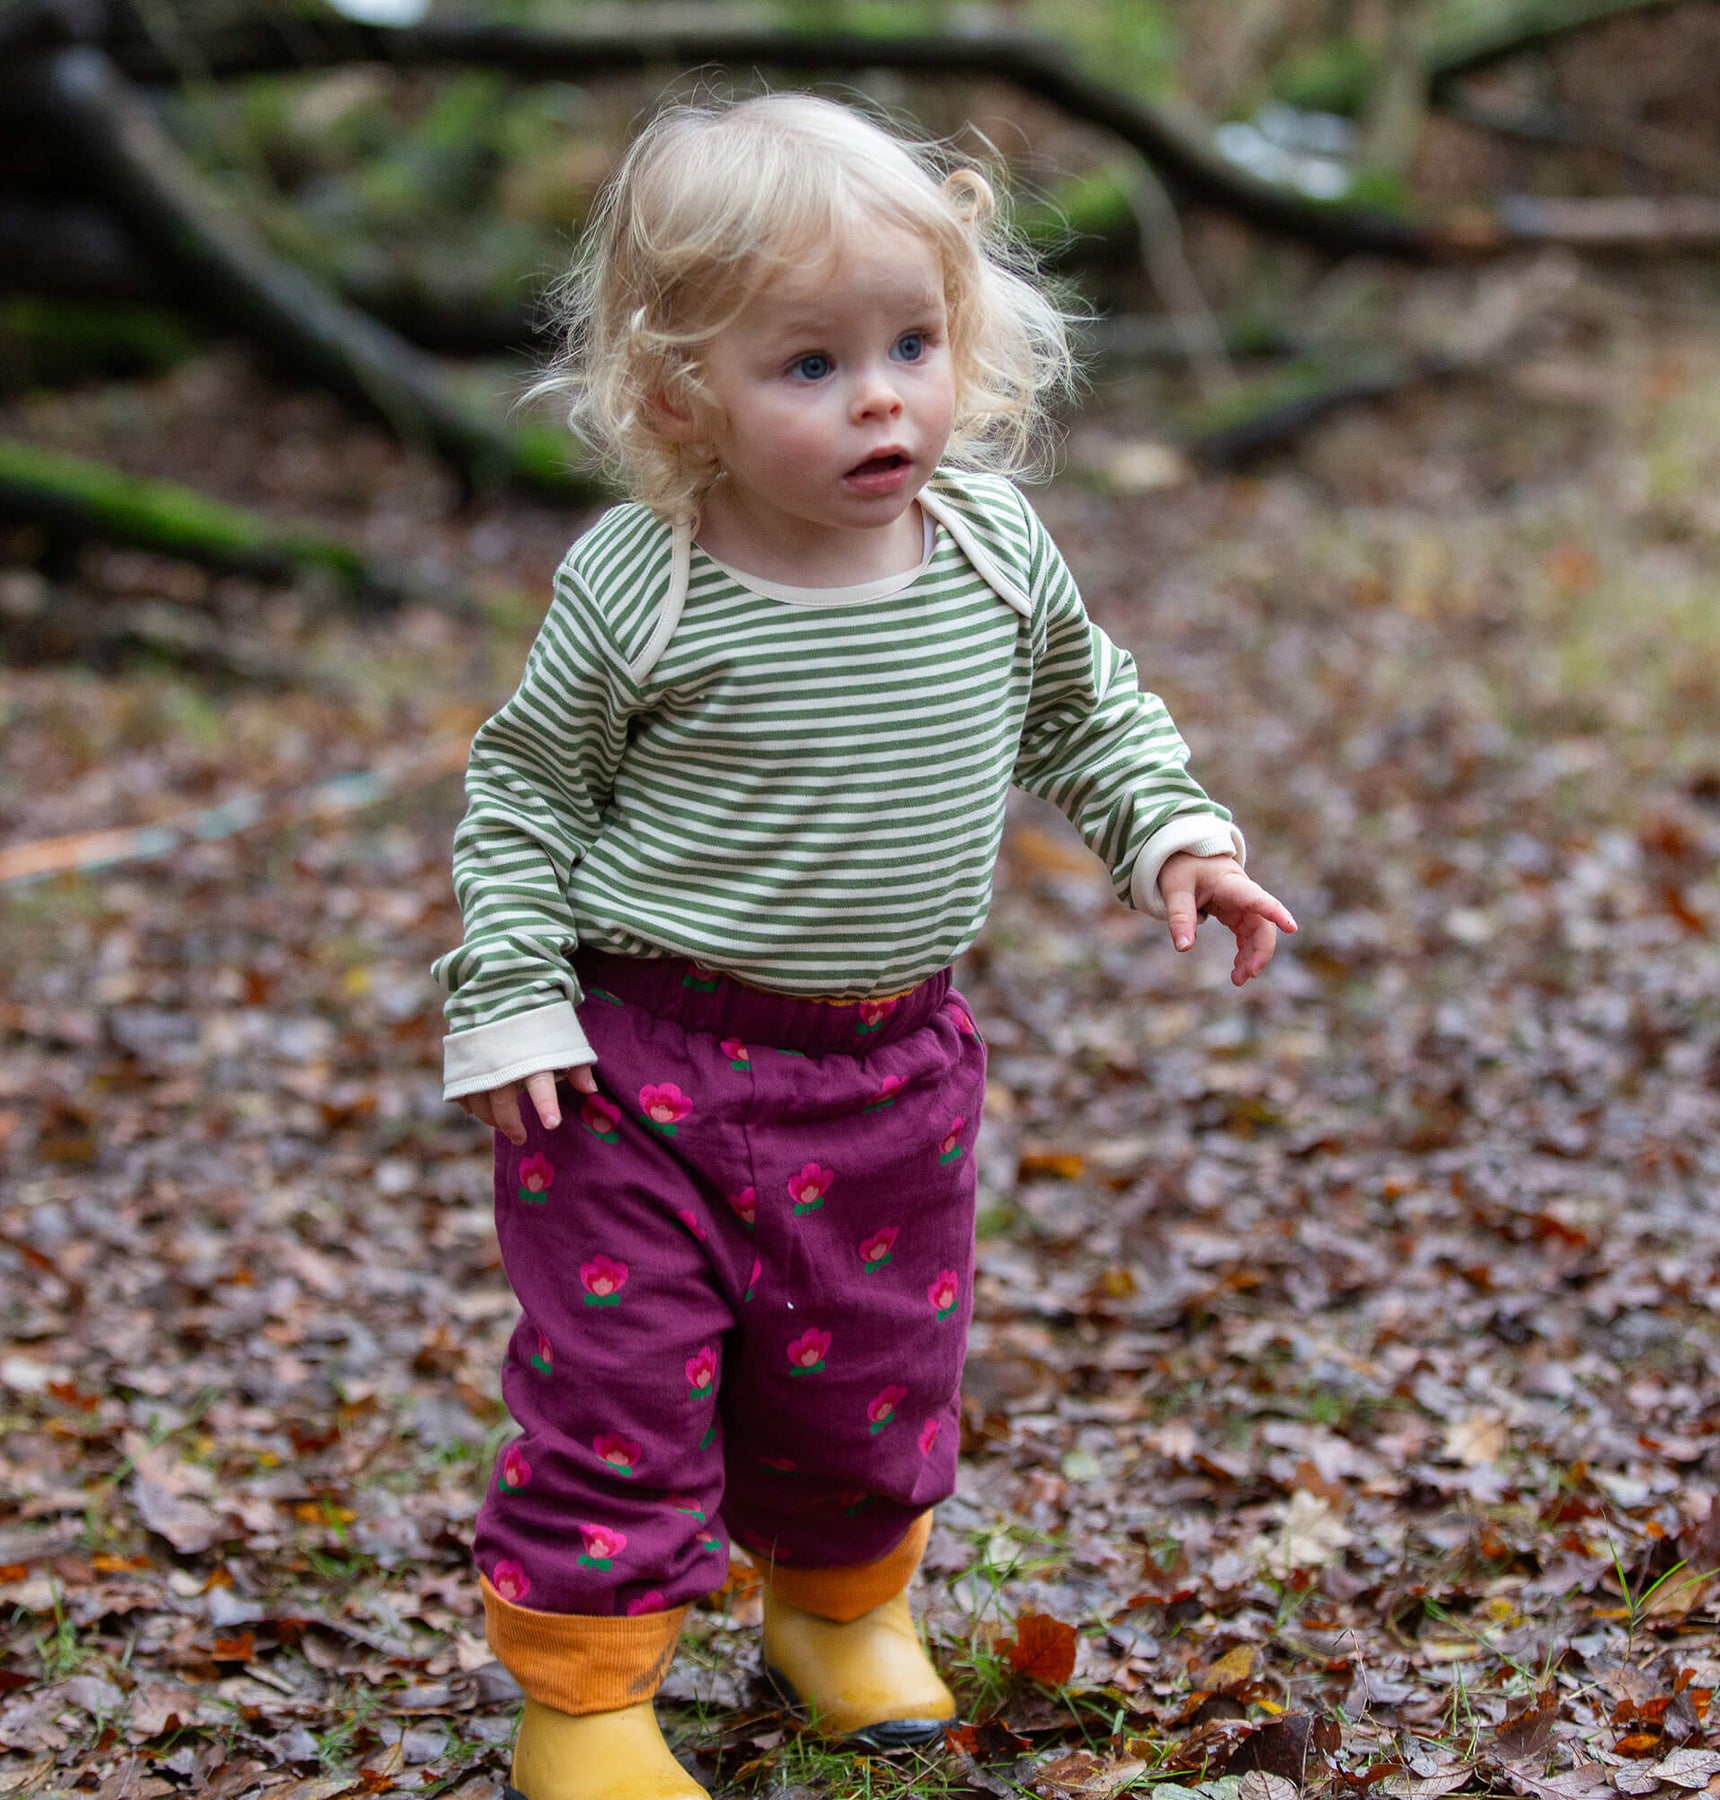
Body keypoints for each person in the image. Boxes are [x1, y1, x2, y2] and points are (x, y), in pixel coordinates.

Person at [433, 91, 1297, 1800]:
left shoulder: (988, 546)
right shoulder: (647, 585)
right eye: (810, 364)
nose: (881, 394)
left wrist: (1176, 832)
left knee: (872, 1367)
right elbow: (523, 794)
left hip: (889, 1065)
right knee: (620, 1382)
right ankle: (586, 1701)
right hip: (640, 1071)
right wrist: (514, 993)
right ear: (683, 392)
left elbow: (1086, 708)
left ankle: (837, 1610)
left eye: (911, 342)